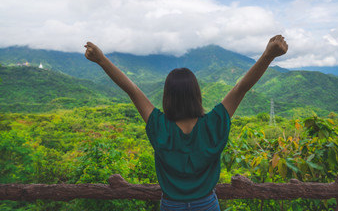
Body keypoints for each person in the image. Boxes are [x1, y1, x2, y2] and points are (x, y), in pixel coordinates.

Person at [84, 35, 288, 211]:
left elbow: (132, 89)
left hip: (171, 205)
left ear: (167, 97)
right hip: (207, 204)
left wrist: (102, 60)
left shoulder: (159, 125)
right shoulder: (213, 124)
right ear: (196, 95)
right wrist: (268, 55)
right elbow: (241, 87)